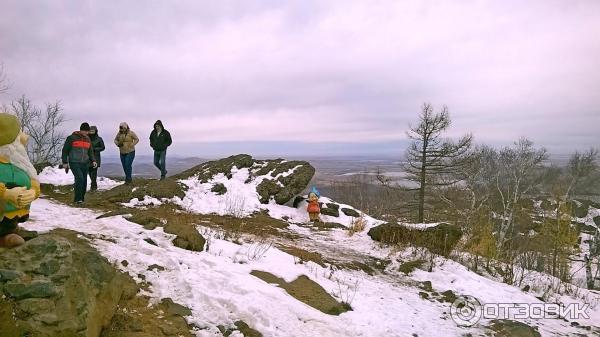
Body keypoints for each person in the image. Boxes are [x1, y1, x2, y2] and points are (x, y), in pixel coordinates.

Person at [0, 113, 41, 247]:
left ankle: (8, 231)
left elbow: (33, 180)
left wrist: (33, 192)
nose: (25, 137)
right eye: (20, 133)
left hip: (10, 219)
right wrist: (5, 194)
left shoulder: (18, 163)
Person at [62, 123, 97, 205]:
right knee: (79, 178)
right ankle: (77, 199)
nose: (86, 133)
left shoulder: (88, 139)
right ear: (81, 130)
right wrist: (65, 162)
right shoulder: (71, 138)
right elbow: (65, 150)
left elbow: (90, 151)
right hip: (74, 162)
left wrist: (94, 160)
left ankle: (81, 198)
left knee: (84, 181)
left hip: (85, 163)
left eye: (87, 131)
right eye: (85, 131)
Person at [88, 126, 105, 191]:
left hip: (96, 157)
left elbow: (103, 147)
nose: (91, 132)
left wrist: (95, 149)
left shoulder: (99, 139)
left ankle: (93, 187)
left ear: (96, 131)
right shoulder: (87, 138)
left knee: (94, 172)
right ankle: (94, 183)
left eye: (93, 131)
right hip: (88, 157)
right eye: (90, 131)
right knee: (89, 172)